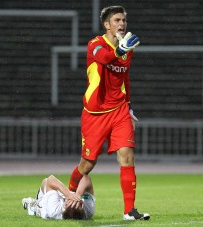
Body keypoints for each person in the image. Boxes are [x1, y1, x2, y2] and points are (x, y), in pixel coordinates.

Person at [68, 5, 150, 221]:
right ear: (106, 25)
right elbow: (104, 58)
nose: (122, 24)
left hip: (119, 110)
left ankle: (129, 211)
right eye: (116, 20)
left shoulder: (126, 48)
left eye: (123, 20)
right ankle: (67, 195)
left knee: (127, 155)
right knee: (87, 164)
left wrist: (129, 106)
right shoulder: (94, 44)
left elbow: (124, 78)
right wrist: (120, 50)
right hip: (95, 113)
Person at [22, 174, 95, 220]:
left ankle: (32, 206)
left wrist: (68, 195)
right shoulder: (88, 211)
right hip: (60, 198)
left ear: (65, 205)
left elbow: (50, 179)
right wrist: (78, 194)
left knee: (45, 181)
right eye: (78, 201)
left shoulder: (54, 211)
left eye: (72, 201)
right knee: (49, 183)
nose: (76, 200)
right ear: (83, 206)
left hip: (43, 206)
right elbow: (86, 178)